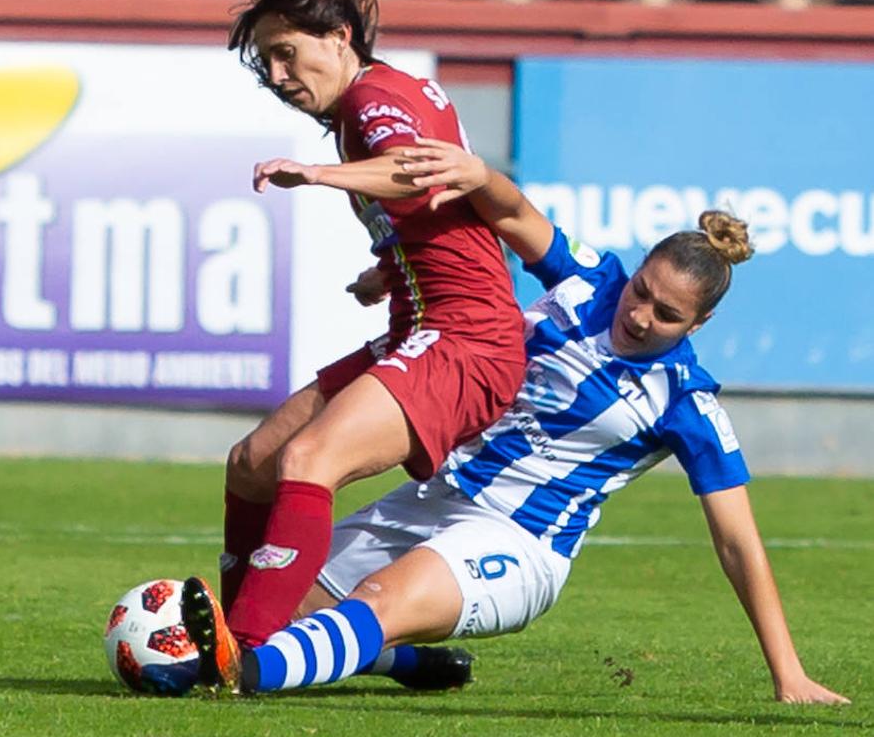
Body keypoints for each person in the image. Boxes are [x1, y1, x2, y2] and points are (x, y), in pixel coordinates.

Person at [182, 142, 849, 705]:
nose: (641, 314)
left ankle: (249, 673)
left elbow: (738, 542)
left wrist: (787, 672)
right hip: (432, 499)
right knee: (294, 609)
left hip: (520, 543)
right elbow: (512, 213)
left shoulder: (687, 401)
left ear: (698, 325)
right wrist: (477, 177)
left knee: (378, 601)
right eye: (643, 290)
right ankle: (406, 665)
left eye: (666, 314)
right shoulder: (590, 282)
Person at [191, 0, 526, 667]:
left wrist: (316, 173)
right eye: (267, 65)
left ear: (339, 36)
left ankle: (247, 650)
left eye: (287, 54)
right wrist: (390, 267)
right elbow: (441, 207)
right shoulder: (382, 97)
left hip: (466, 339)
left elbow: (415, 171)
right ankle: (375, 653)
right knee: (254, 462)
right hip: (423, 324)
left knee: (308, 459)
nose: (279, 78)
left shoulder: (373, 104)